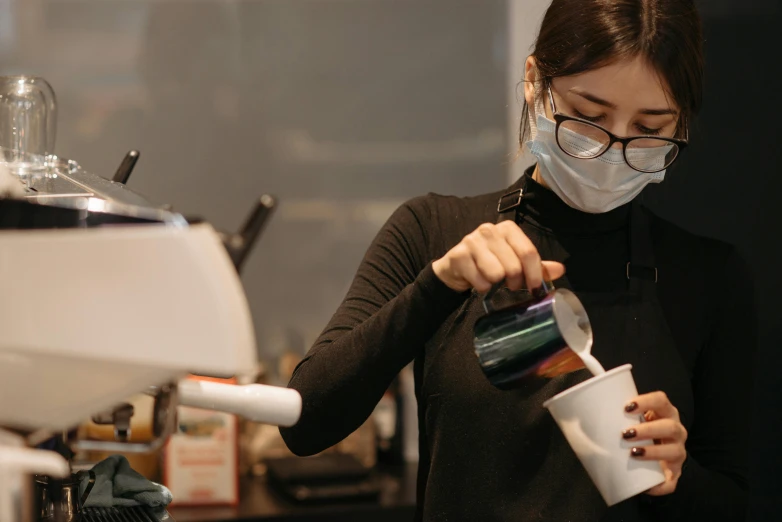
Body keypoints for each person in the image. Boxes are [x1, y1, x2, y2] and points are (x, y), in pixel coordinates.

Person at [279, 0, 756, 520]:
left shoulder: (708, 276)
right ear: (535, 83)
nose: (611, 150)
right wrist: (438, 285)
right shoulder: (432, 230)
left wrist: (676, 478)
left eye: (649, 127)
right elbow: (306, 423)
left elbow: (733, 500)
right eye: (589, 117)